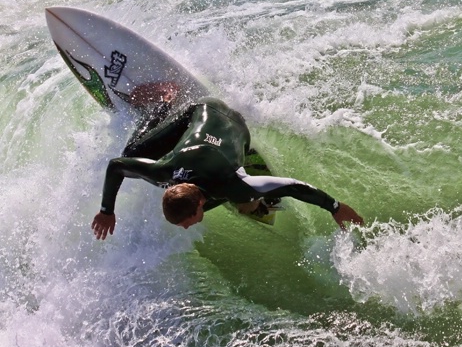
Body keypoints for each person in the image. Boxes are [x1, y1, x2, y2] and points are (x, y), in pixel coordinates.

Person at [91, 83, 363, 240]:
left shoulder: (232, 186)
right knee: (130, 156)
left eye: (187, 220)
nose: (186, 226)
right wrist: (106, 210)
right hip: (215, 122)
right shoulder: (164, 171)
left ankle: (163, 101)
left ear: (198, 204)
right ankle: (173, 123)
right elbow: (117, 165)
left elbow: (291, 186)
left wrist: (335, 207)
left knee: (132, 148)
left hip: (219, 116)